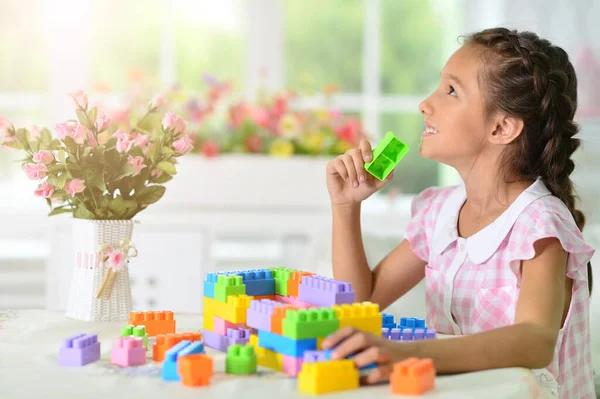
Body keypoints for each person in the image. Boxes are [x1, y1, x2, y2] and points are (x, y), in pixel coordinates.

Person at [322, 27, 596, 398]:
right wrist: (346, 206)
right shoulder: (440, 213)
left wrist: (407, 354)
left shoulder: (539, 223)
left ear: (501, 127)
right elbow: (359, 302)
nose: (425, 104)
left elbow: (535, 340)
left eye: (451, 91)